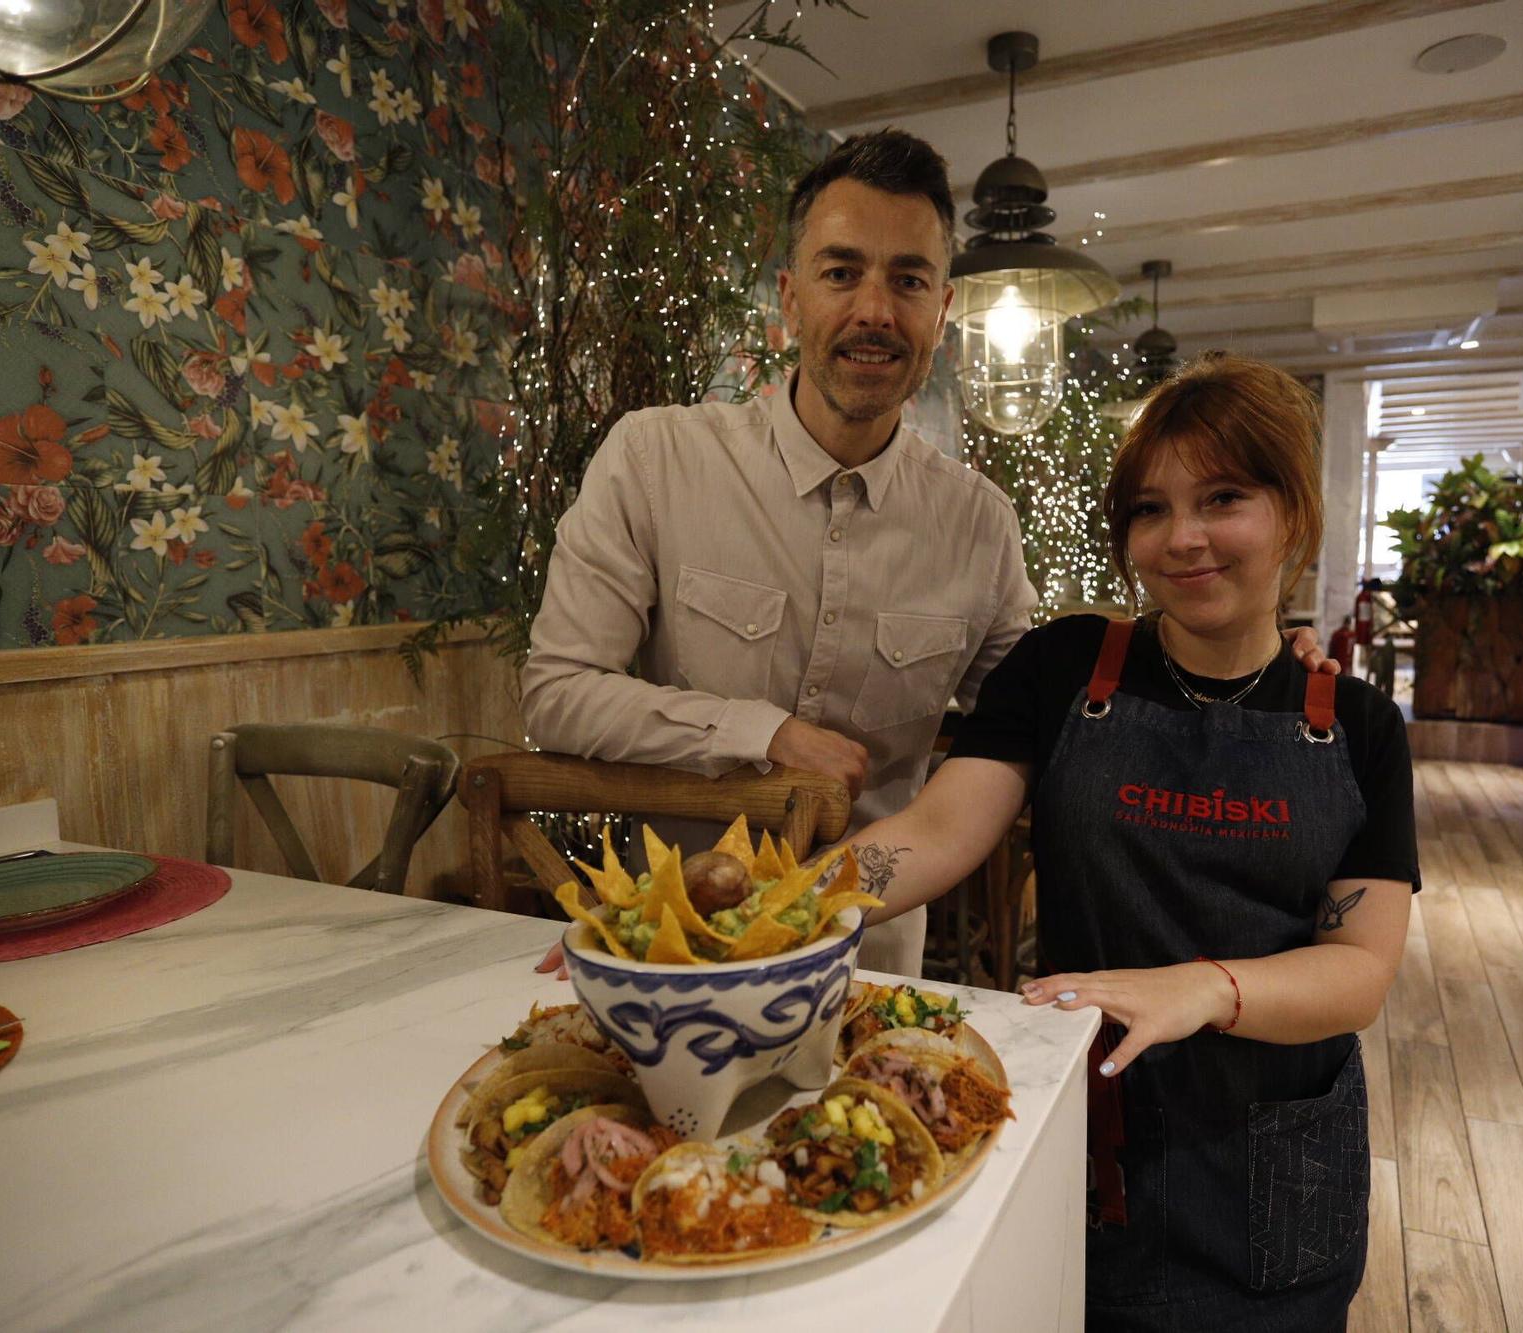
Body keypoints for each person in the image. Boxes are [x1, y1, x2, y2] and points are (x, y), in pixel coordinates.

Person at [522, 129, 1327, 977]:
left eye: (907, 280)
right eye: (842, 273)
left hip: (870, 949)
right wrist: (763, 734)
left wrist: (1257, 663)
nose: (875, 309)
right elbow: (558, 694)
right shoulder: (655, 459)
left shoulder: (979, 523)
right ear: (791, 302)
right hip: (666, 939)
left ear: (941, 314)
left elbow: (1049, 707)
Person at [845, 352, 1417, 1330]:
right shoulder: (1065, 665)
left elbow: (1358, 970)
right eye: (1149, 510)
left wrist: (1204, 986)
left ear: (1294, 513)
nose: (1182, 538)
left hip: (1272, 1172)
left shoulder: (1357, 724)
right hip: (1088, 1140)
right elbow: (936, 832)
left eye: (1223, 497)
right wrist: (747, 921)